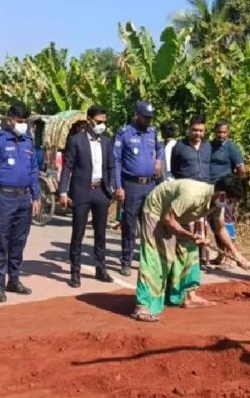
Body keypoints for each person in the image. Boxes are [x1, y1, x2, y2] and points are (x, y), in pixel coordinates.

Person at [131, 175, 250, 322]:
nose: (230, 204)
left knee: (190, 251)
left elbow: (221, 229)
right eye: (230, 201)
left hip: (179, 216)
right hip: (157, 210)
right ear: (222, 195)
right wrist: (190, 235)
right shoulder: (192, 195)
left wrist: (237, 254)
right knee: (155, 256)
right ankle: (142, 305)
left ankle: (188, 295)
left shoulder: (218, 203)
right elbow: (168, 218)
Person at [0, 102, 42, 303]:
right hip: (3, 198)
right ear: (10, 120)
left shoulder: (28, 142)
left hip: (24, 198)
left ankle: (13, 280)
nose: (23, 124)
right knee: (0, 242)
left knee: (18, 242)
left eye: (25, 121)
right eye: (20, 121)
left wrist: (36, 196)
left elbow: (33, 170)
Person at [58, 106, 116, 286]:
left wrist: (112, 188)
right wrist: (63, 191)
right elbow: (67, 166)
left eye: (104, 122)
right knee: (78, 233)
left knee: (100, 233)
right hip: (81, 192)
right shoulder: (77, 140)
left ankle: (101, 269)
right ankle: (75, 273)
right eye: (99, 121)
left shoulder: (106, 141)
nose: (102, 125)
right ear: (89, 120)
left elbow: (111, 166)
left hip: (101, 192)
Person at [113, 101, 164, 277]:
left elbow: (160, 148)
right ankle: (126, 261)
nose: (148, 121)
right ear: (137, 115)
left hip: (150, 185)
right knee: (129, 226)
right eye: (145, 117)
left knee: (150, 225)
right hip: (132, 185)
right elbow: (116, 160)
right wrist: (118, 186)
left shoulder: (153, 132)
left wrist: (159, 160)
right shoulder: (124, 133)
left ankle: (147, 261)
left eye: (150, 118)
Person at [171, 115, 213, 269]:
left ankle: (203, 258)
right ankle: (185, 257)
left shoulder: (208, 146)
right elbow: (174, 168)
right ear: (189, 129)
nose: (198, 134)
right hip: (186, 193)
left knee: (202, 226)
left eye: (201, 131)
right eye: (195, 130)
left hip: (204, 192)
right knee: (186, 225)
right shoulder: (179, 147)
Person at [207, 120, 246, 266]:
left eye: (224, 132)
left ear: (228, 132)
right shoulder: (210, 146)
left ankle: (230, 255)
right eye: (219, 132)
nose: (221, 135)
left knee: (225, 221)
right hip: (211, 189)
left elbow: (241, 170)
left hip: (224, 192)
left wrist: (232, 184)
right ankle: (221, 254)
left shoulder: (231, 147)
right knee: (214, 222)